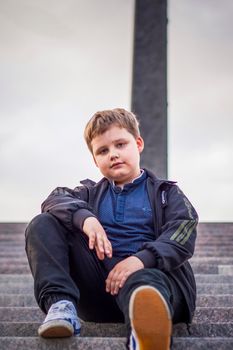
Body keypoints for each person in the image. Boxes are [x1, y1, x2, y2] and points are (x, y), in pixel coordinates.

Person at [25, 108, 198, 350]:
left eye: (120, 144)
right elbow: (54, 199)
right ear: (95, 160)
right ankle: (61, 306)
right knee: (42, 223)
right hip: (99, 292)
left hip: (154, 283)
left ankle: (145, 332)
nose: (113, 154)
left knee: (145, 283)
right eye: (103, 151)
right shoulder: (88, 193)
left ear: (138, 143)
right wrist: (85, 218)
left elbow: (183, 231)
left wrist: (140, 260)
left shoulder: (166, 193)